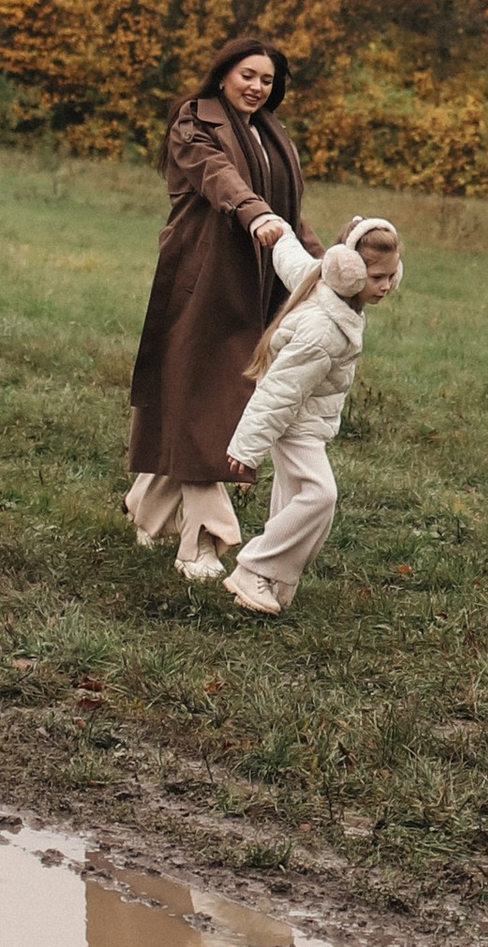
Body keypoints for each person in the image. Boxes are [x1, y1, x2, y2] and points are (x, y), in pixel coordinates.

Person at [123, 32, 306, 582]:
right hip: (200, 276)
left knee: (205, 397)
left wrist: (325, 265)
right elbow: (214, 175)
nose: (256, 87)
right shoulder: (195, 120)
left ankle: (147, 503)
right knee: (208, 401)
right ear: (224, 73)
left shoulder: (269, 135)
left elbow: (289, 213)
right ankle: (203, 541)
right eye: (248, 75)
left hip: (253, 283)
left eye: (267, 80)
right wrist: (253, 214)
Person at [218, 215, 403, 617]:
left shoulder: (324, 280)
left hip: (305, 421)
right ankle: (254, 568)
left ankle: (278, 583)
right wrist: (247, 448)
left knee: (291, 499)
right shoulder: (323, 329)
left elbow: (290, 258)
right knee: (320, 495)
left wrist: (279, 230)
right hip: (296, 425)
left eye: (392, 275)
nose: (386, 286)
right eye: (377, 277)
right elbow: (280, 390)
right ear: (349, 270)